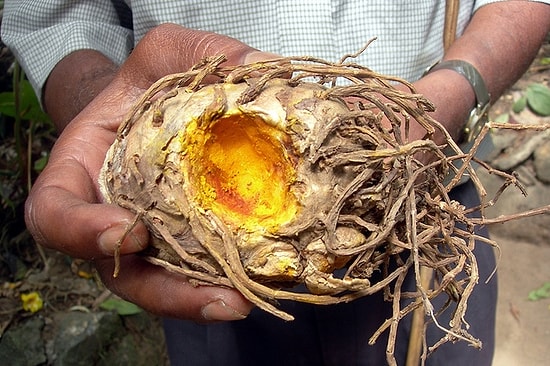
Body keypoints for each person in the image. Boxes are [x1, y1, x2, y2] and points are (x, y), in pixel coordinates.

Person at [2, 1, 549, 365]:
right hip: (199, 259)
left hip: (422, 216)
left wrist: (456, 86)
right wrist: (105, 102)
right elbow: (57, 14)